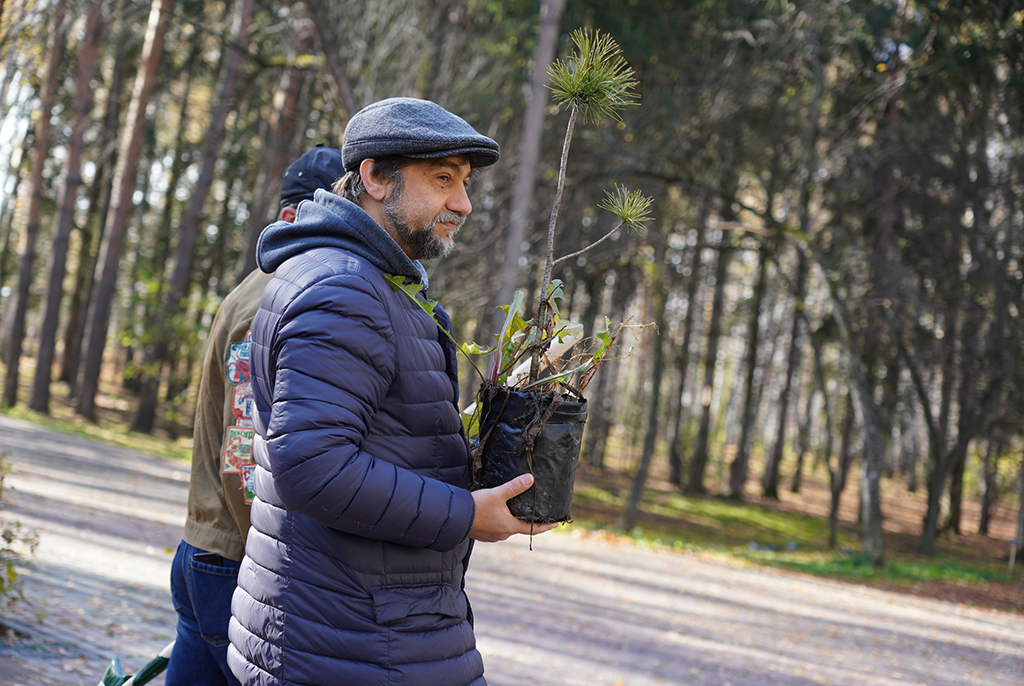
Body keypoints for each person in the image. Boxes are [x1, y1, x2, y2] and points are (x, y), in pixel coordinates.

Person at [227, 97, 555, 686]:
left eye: (464, 182)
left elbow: (378, 440)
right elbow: (314, 468)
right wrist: (464, 514)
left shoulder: (366, 282)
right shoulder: (343, 291)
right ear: (375, 177)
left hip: (370, 628)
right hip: (353, 644)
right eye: (442, 178)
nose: (463, 203)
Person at [164, 145, 348, 686]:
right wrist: (278, 563)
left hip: (214, 556)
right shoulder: (274, 298)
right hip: (235, 563)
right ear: (293, 216)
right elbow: (245, 457)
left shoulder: (268, 287)